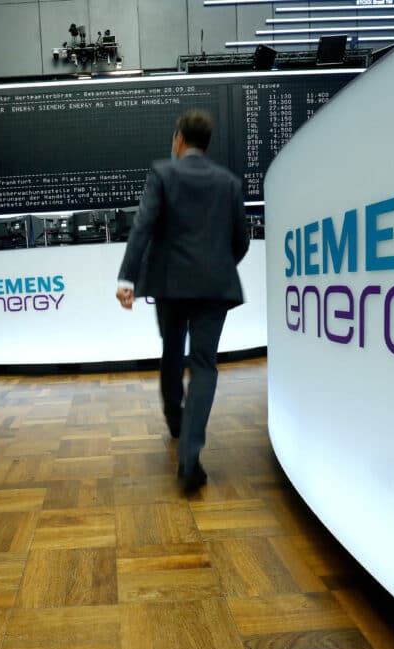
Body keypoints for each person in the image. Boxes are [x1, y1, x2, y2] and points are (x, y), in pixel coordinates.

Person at [115, 109, 250, 495]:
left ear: (178, 140)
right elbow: (240, 241)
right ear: (204, 144)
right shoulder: (229, 182)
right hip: (215, 288)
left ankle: (176, 421)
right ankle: (190, 458)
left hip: (170, 286)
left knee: (172, 353)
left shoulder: (162, 173)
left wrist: (128, 278)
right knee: (205, 366)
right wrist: (217, 267)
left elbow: (143, 227)